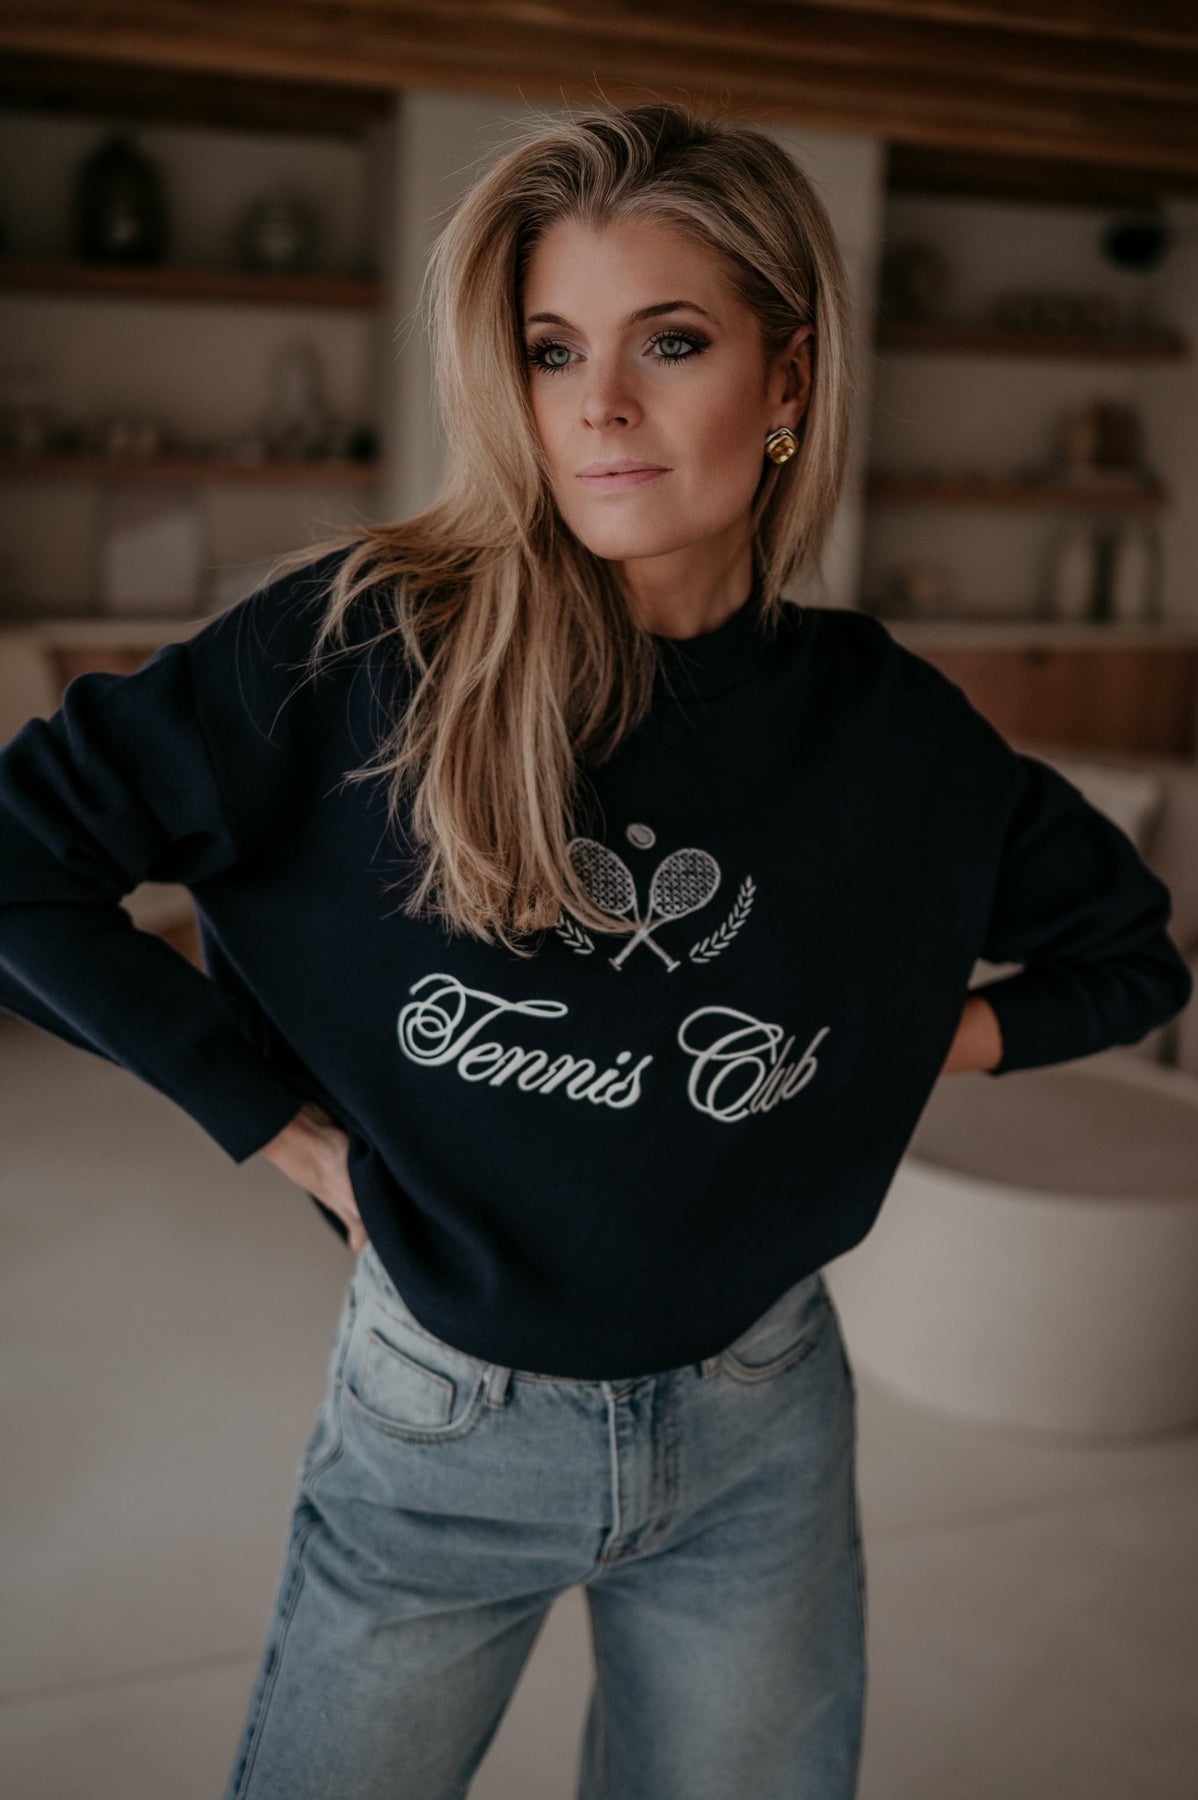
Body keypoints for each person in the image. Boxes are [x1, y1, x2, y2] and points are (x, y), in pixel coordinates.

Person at [0, 101, 1191, 1800]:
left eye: (671, 342)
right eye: (552, 348)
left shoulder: (894, 735)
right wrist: (276, 1128)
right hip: (441, 1422)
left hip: (765, 1418)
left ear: (786, 379)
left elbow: (1127, 959)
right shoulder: (359, 651)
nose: (598, 406)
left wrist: (900, 1037)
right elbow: (20, 862)